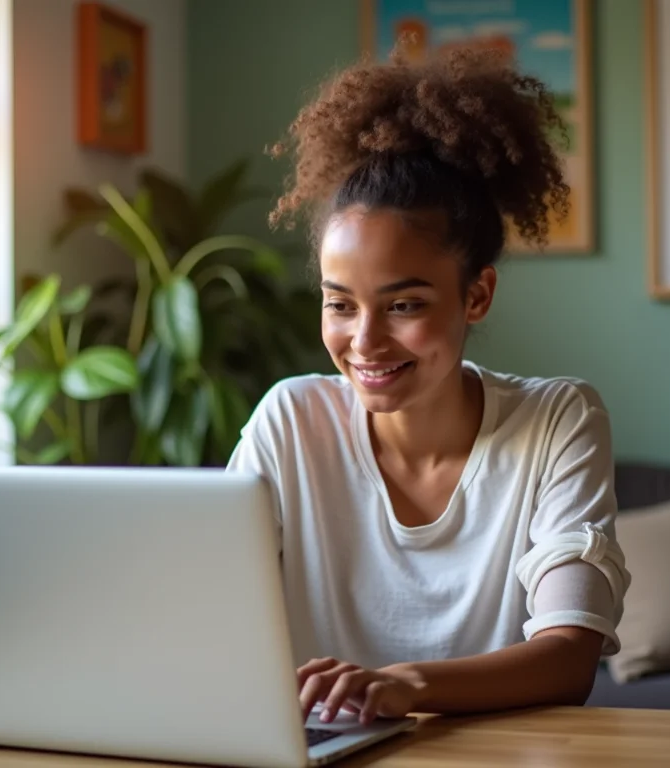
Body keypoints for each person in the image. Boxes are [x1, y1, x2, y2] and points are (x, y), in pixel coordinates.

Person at [226, 43, 629, 727]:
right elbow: (205, 612)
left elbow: (569, 657)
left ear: (477, 296)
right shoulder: (289, 421)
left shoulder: (558, 419)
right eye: (339, 303)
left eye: (404, 305)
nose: (364, 341)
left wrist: (407, 685)